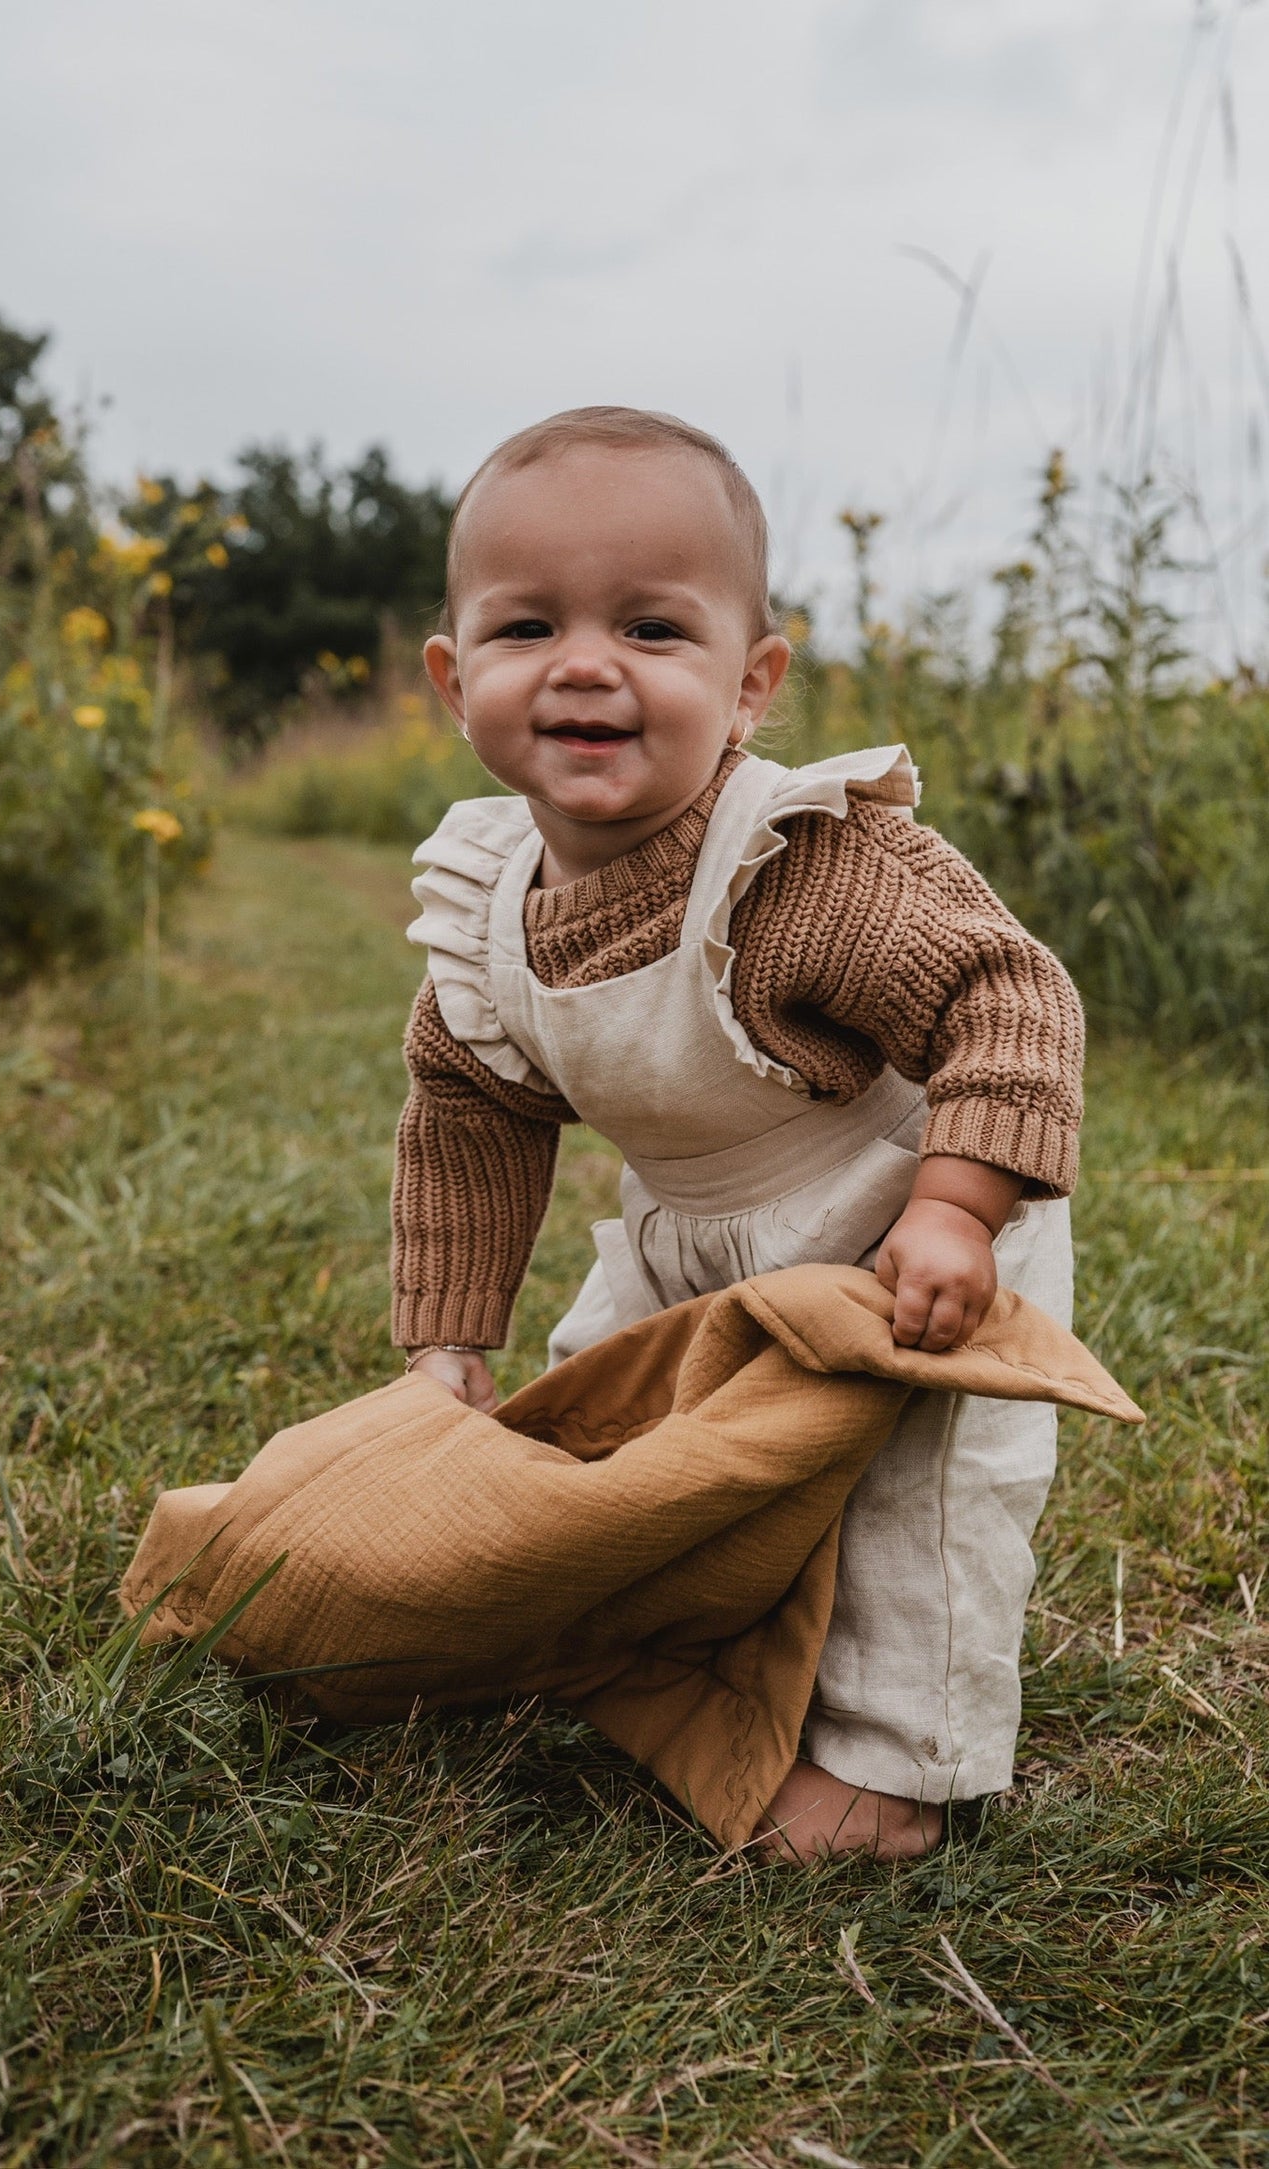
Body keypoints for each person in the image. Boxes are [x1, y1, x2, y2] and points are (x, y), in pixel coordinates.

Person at [390, 406, 1083, 1863]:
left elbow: (1006, 995)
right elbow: (471, 1114)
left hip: (902, 1204)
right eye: (527, 626)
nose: (584, 662)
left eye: (650, 627)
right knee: (604, 1431)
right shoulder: (488, 906)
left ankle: (902, 1768)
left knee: (921, 1481)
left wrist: (958, 1205)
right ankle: (659, 1653)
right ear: (456, 678)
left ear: (750, 681)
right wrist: (450, 1338)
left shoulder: (796, 869)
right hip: (686, 1223)